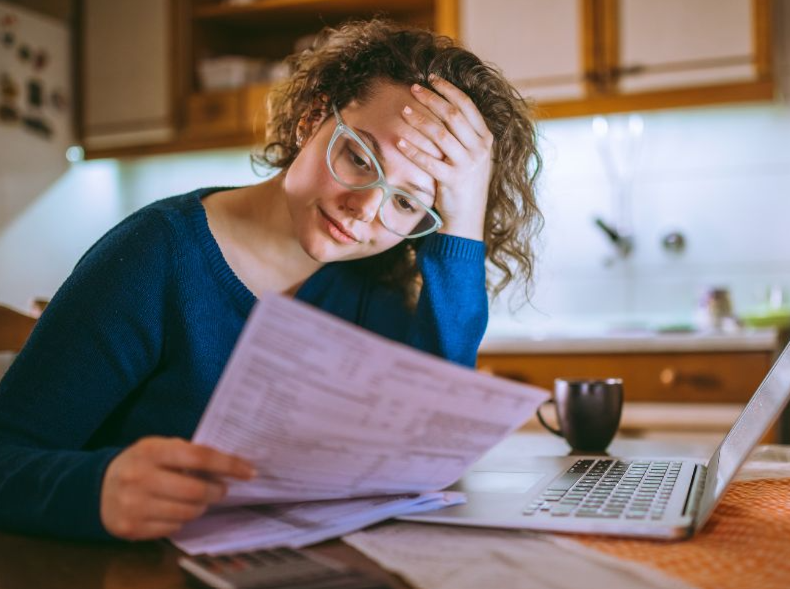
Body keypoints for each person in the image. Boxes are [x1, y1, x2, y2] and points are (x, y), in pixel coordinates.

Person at [0, 18, 541, 541]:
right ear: (311, 119)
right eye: (357, 157)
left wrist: (464, 222)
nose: (363, 211)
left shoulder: (371, 284)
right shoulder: (153, 257)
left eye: (405, 202)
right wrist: (95, 489)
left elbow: (429, 453)